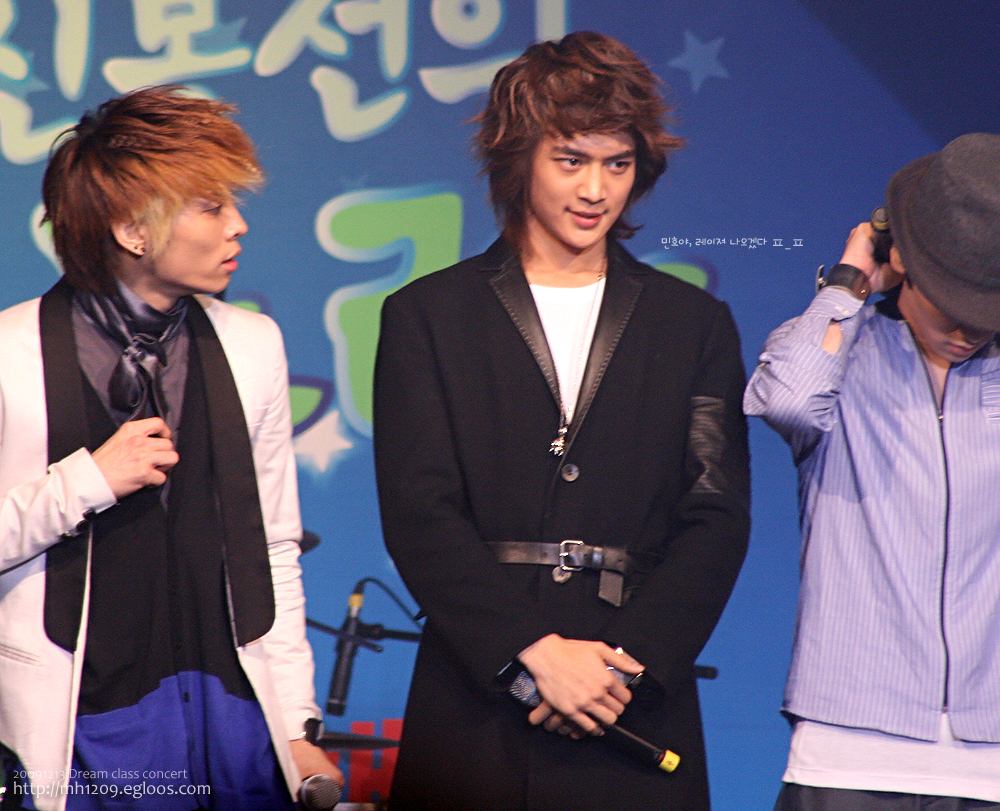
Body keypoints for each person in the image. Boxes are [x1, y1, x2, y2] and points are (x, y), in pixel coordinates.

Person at [373, 31, 751, 810]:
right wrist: (532, 652)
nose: (596, 189)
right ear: (519, 158)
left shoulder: (693, 324)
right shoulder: (428, 315)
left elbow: (715, 514)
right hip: (477, 700)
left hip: (631, 706)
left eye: (618, 164)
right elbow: (419, 511)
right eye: (571, 160)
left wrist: (623, 666)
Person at [0, 86, 342, 810]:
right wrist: (83, 483)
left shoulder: (252, 344)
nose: (239, 225)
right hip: (83, 720)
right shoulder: (9, 353)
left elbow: (273, 543)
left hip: (230, 709)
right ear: (133, 230)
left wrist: (295, 721)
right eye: (211, 206)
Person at [745, 133, 1000, 811]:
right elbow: (787, 398)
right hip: (847, 753)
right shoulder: (845, 352)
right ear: (903, 258)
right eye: (953, 300)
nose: (968, 329)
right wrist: (850, 282)